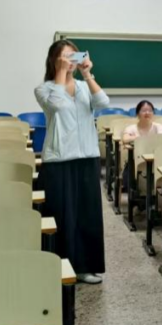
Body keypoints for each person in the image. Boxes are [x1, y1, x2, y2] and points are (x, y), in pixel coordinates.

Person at [35, 39, 110, 284]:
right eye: (66, 57)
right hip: (58, 159)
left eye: (74, 56)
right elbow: (56, 105)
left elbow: (103, 103)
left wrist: (87, 74)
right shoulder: (44, 89)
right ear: (54, 59)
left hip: (87, 157)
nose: (71, 61)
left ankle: (85, 268)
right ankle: (58, 267)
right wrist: (60, 72)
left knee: (87, 215)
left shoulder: (84, 86)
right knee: (61, 215)